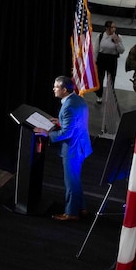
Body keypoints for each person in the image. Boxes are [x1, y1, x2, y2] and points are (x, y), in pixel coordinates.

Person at [37, 75, 92, 221]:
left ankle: (71, 213)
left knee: (71, 181)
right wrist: (60, 121)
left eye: (56, 87)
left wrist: (47, 133)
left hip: (73, 149)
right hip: (80, 145)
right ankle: (82, 207)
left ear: (64, 90)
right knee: (75, 179)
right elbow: (75, 122)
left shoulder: (68, 106)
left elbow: (67, 133)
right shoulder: (76, 99)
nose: (53, 89)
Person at [96, 20, 124, 100]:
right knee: (100, 78)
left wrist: (116, 42)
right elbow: (96, 49)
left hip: (112, 59)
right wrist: (95, 61)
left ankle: (110, 95)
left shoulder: (118, 37)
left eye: (114, 27)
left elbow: (121, 50)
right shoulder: (100, 36)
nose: (114, 29)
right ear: (107, 28)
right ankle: (99, 95)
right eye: (112, 27)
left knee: (111, 78)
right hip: (102, 58)